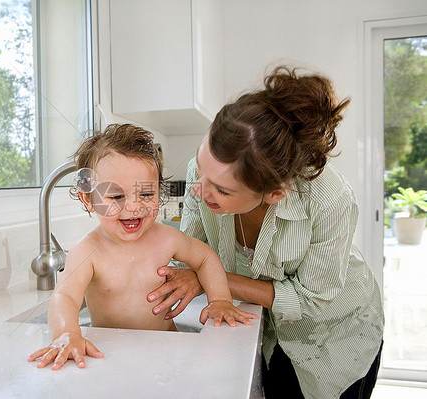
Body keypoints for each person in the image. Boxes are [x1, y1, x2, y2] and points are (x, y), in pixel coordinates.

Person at [146, 67, 384, 399]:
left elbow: (311, 301)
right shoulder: (208, 174)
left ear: (275, 194)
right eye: (200, 169)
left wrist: (209, 276)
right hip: (268, 332)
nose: (199, 190)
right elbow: (192, 251)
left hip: (335, 336)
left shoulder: (329, 199)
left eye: (222, 191)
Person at [27, 123, 258, 370]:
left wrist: (220, 300)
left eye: (146, 194)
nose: (134, 207)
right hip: (111, 353)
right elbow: (65, 296)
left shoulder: (166, 238)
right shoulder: (87, 251)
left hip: (166, 348)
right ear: (89, 199)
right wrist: (66, 332)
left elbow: (205, 258)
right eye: (116, 197)